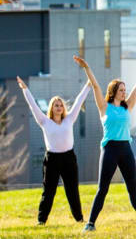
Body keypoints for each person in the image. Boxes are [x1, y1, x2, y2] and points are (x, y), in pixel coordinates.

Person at [76, 55, 136, 232]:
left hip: (125, 149)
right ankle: (90, 223)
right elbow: (96, 86)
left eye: (124, 89)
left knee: (133, 189)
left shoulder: (126, 106)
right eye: (121, 90)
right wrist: (86, 67)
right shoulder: (104, 107)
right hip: (110, 149)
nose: (124, 92)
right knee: (102, 189)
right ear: (113, 91)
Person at [17, 73, 90, 225]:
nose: (59, 107)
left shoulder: (69, 119)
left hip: (69, 158)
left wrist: (89, 84)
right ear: (51, 108)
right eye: (56, 105)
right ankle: (41, 220)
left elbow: (79, 101)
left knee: (72, 191)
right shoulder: (44, 121)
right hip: (52, 160)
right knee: (49, 191)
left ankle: (79, 219)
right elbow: (33, 105)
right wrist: (25, 89)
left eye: (61, 105)